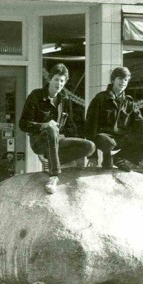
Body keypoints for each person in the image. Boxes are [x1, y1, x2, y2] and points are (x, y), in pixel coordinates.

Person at [19, 63, 95, 194]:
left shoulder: (64, 99)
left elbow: (71, 126)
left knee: (90, 147)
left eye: (62, 81)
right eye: (56, 79)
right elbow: (23, 124)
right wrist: (43, 125)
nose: (59, 84)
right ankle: (54, 176)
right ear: (49, 79)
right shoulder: (36, 96)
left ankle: (52, 160)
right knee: (52, 128)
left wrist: (86, 155)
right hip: (39, 141)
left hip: (58, 142)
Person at [85, 66, 143, 171]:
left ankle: (119, 157)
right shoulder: (100, 98)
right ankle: (108, 159)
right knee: (108, 144)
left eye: (126, 80)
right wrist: (92, 156)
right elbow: (90, 126)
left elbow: (139, 119)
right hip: (104, 139)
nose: (123, 82)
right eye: (120, 79)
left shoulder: (129, 102)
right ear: (113, 80)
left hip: (121, 138)